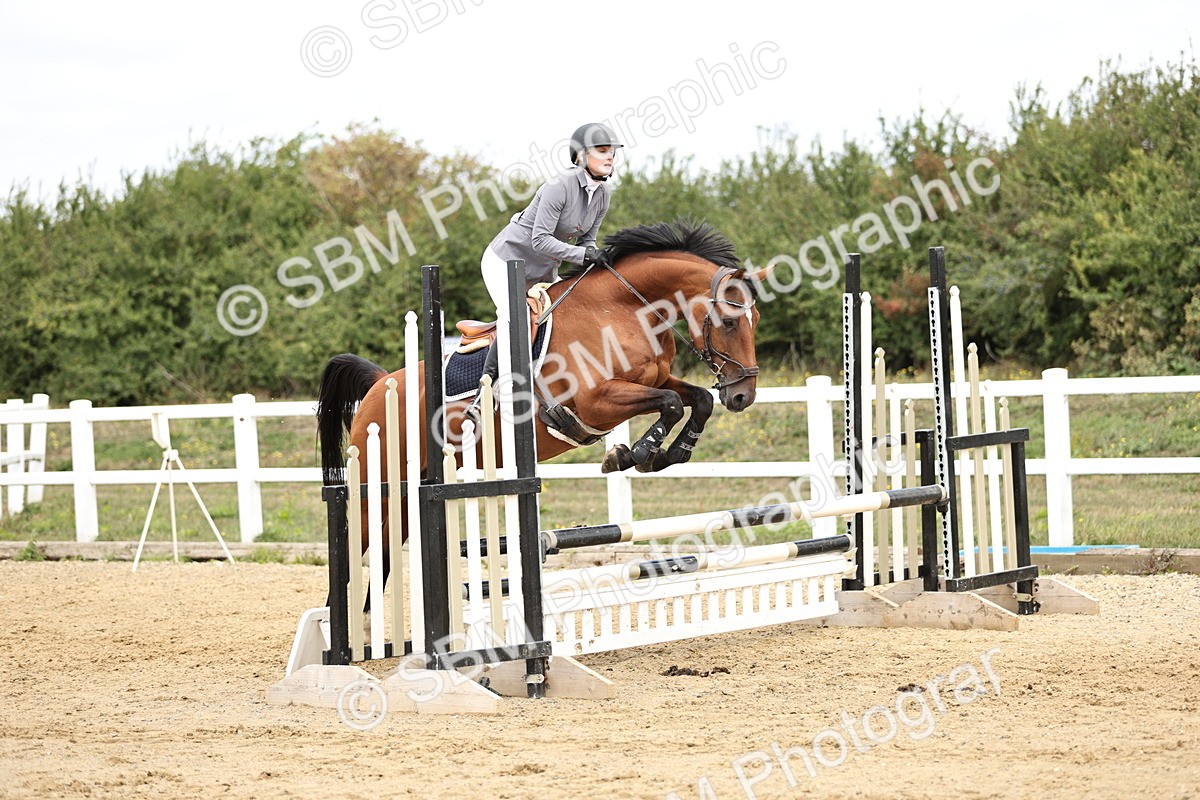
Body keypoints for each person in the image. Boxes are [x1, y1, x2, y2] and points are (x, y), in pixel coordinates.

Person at [475, 122, 624, 388]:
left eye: (612, 151)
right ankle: (488, 384)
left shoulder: (603, 194)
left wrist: (596, 258)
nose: (610, 156)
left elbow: (587, 241)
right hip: (505, 261)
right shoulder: (560, 185)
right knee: (516, 315)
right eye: (602, 150)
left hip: (543, 271)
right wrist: (585, 254)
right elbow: (540, 239)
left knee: (571, 312)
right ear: (581, 155)